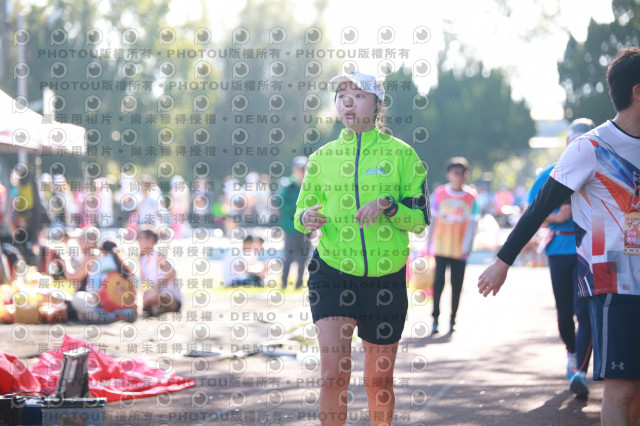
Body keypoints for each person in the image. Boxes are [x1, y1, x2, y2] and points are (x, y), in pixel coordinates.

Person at [478, 47, 640, 425]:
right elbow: (538, 208)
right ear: (637, 91)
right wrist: (503, 261)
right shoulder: (590, 147)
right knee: (621, 389)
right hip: (611, 280)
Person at [294, 71, 429, 425]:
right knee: (333, 375)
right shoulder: (322, 158)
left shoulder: (403, 155)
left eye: (358, 95)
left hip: (385, 280)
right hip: (332, 273)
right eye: (342, 95)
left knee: (378, 381)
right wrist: (306, 217)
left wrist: (389, 206)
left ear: (377, 104)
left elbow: (419, 219)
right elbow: (300, 212)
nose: (348, 102)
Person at [527, 118, 595, 399]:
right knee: (564, 314)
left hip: (589, 250)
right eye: (574, 141)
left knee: (584, 311)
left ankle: (580, 372)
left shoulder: (599, 170)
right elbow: (531, 213)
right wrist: (558, 216)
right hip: (558, 249)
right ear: (567, 143)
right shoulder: (550, 173)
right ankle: (572, 353)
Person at [426, 156, 479, 334]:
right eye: (455, 173)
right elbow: (433, 220)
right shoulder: (440, 193)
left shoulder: (471, 196)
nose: (459, 176)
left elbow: (473, 224)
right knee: (438, 284)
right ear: (448, 174)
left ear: (466, 175)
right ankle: (435, 319)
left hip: (460, 250)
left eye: (462, 173)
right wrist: (428, 244)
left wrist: (468, 247)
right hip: (441, 247)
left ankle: (452, 319)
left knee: (457, 285)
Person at [70, 239, 137, 323]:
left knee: (77, 298)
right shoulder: (126, 262)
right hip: (125, 306)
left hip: (105, 307)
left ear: (102, 250)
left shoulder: (99, 262)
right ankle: (123, 314)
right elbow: (136, 284)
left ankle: (109, 316)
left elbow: (92, 289)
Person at [279, 156, 311, 289]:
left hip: (305, 229)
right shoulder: (288, 186)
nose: (301, 172)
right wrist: (299, 209)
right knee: (289, 257)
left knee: (303, 258)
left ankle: (299, 284)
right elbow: (281, 205)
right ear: (294, 170)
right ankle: (284, 283)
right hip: (291, 229)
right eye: (299, 169)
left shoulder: (309, 186)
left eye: (304, 169)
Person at [138, 225, 182, 315]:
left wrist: (157, 286)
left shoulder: (158, 255)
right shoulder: (142, 260)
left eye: (141, 238)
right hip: (153, 294)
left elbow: (172, 272)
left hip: (171, 297)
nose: (139, 242)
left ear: (151, 240)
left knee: (152, 296)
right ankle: (155, 308)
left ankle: (156, 307)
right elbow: (144, 282)